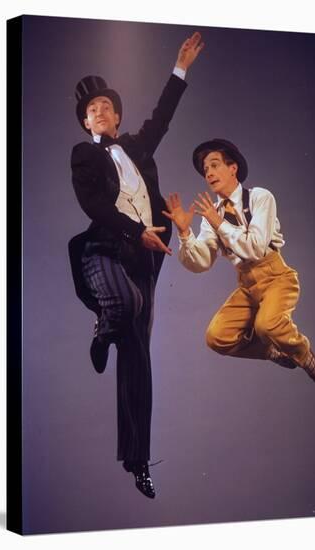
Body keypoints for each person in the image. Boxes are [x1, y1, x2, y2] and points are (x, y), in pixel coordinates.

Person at [68, 32, 204, 499]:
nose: (99, 113)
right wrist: (133, 230)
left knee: (139, 360)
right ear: (86, 123)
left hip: (145, 260)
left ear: (117, 116)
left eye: (105, 107)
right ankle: (103, 326)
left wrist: (179, 69)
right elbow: (94, 206)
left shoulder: (137, 147)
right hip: (104, 250)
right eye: (91, 111)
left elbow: (162, 118)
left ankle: (138, 460)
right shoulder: (85, 155)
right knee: (122, 305)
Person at [163, 138, 315, 384]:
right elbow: (202, 262)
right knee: (216, 336)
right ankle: (270, 351)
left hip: (276, 277)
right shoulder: (211, 215)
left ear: (233, 168)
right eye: (206, 170)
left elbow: (256, 247)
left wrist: (220, 224)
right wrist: (185, 233)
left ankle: (302, 352)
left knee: (266, 325)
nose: (209, 173)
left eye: (214, 165)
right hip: (247, 286)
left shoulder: (260, 197)